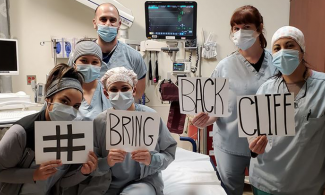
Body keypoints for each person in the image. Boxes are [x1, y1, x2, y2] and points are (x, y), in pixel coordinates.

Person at [191, 5, 276, 195]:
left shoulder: (276, 64)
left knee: (266, 190)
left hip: (266, 144)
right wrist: (205, 118)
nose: (239, 33)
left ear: (259, 28)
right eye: (236, 28)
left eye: (246, 27)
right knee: (230, 190)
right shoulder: (224, 67)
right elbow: (214, 111)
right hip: (230, 144)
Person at [249, 26, 325, 195]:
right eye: (277, 48)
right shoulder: (265, 89)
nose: (283, 52)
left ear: (302, 50)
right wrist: (253, 145)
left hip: (306, 185)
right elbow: (253, 131)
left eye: (290, 45)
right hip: (265, 181)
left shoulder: (322, 87)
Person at [0, 64, 98, 195]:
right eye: (64, 101)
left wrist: (83, 172)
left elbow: (62, 182)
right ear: (48, 99)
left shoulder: (72, 135)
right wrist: (34, 174)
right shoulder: (21, 133)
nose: (70, 110)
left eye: (76, 106)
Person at [84, 67, 177, 195]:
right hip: (106, 183)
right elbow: (91, 164)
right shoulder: (100, 122)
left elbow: (169, 153)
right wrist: (107, 161)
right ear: (106, 94)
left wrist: (151, 159)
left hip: (142, 182)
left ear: (133, 90)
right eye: (114, 89)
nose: (119, 93)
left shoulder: (149, 117)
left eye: (124, 88)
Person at [93, 3, 147, 100]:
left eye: (113, 20)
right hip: (90, 115)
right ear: (95, 23)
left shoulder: (134, 57)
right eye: (103, 19)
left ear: (119, 24)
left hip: (123, 114)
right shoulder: (80, 57)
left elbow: (138, 94)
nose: (108, 24)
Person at [68, 39, 111, 121]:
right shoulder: (63, 90)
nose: (89, 66)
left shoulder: (109, 91)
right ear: (74, 64)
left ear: (100, 66)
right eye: (84, 61)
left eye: (95, 62)